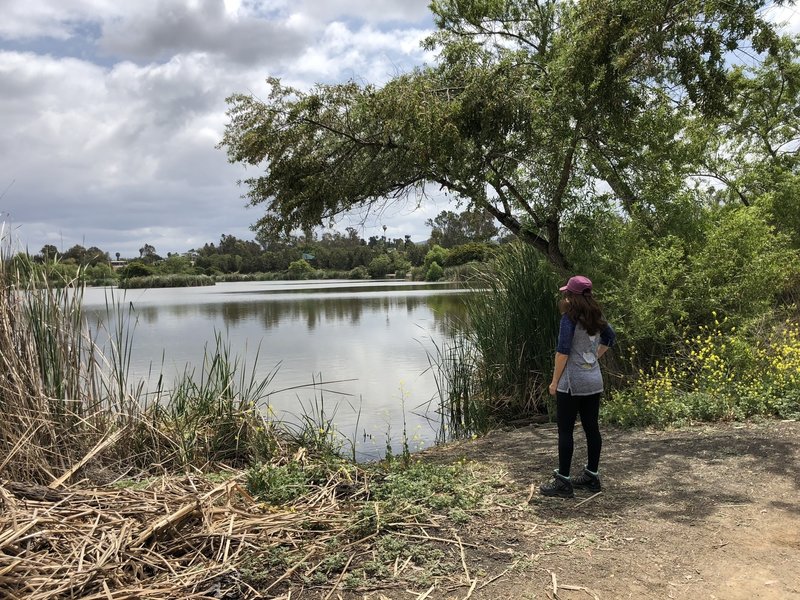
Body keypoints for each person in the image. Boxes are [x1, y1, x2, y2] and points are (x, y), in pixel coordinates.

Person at [539, 275, 616, 498]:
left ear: (570, 295)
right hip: (594, 381)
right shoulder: (597, 316)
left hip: (572, 383)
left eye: (567, 293)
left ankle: (563, 481)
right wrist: (593, 357)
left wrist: (554, 382)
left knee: (565, 430)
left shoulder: (569, 318)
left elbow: (562, 352)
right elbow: (610, 338)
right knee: (592, 428)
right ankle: (592, 476)